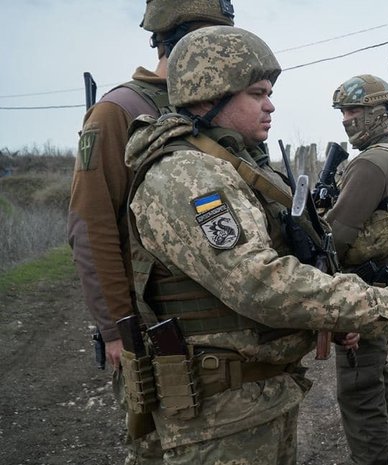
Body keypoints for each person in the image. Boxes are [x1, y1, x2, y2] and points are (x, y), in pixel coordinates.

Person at [123, 26, 388, 465]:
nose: (271, 105)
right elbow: (261, 282)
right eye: (258, 93)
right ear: (213, 94)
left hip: (248, 400)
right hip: (217, 418)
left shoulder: (227, 165)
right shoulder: (188, 176)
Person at [67, 0, 234, 462]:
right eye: (211, 38)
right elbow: (91, 225)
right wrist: (116, 328)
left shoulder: (214, 105)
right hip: (155, 328)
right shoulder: (118, 111)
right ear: (176, 39)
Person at [325, 74, 388, 465]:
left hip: (362, 285)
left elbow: (336, 236)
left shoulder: (370, 162)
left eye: (354, 110)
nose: (347, 119)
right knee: (377, 374)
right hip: (382, 278)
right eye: (343, 112)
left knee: (357, 386)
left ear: (380, 112)